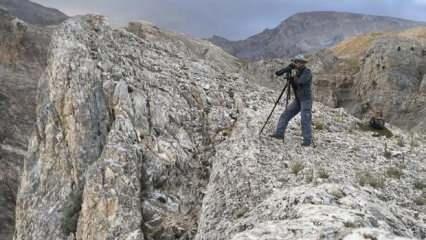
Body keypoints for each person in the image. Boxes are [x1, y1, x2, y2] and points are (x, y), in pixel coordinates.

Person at [270, 55, 313, 146]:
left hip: (306, 99)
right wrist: (289, 73)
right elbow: (280, 75)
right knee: (285, 115)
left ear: (303, 63)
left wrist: (293, 78)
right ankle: (279, 134)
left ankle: (307, 141)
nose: (297, 63)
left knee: (305, 119)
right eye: (296, 62)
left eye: (299, 62)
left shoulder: (307, 72)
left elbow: (301, 82)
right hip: (298, 99)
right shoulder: (296, 72)